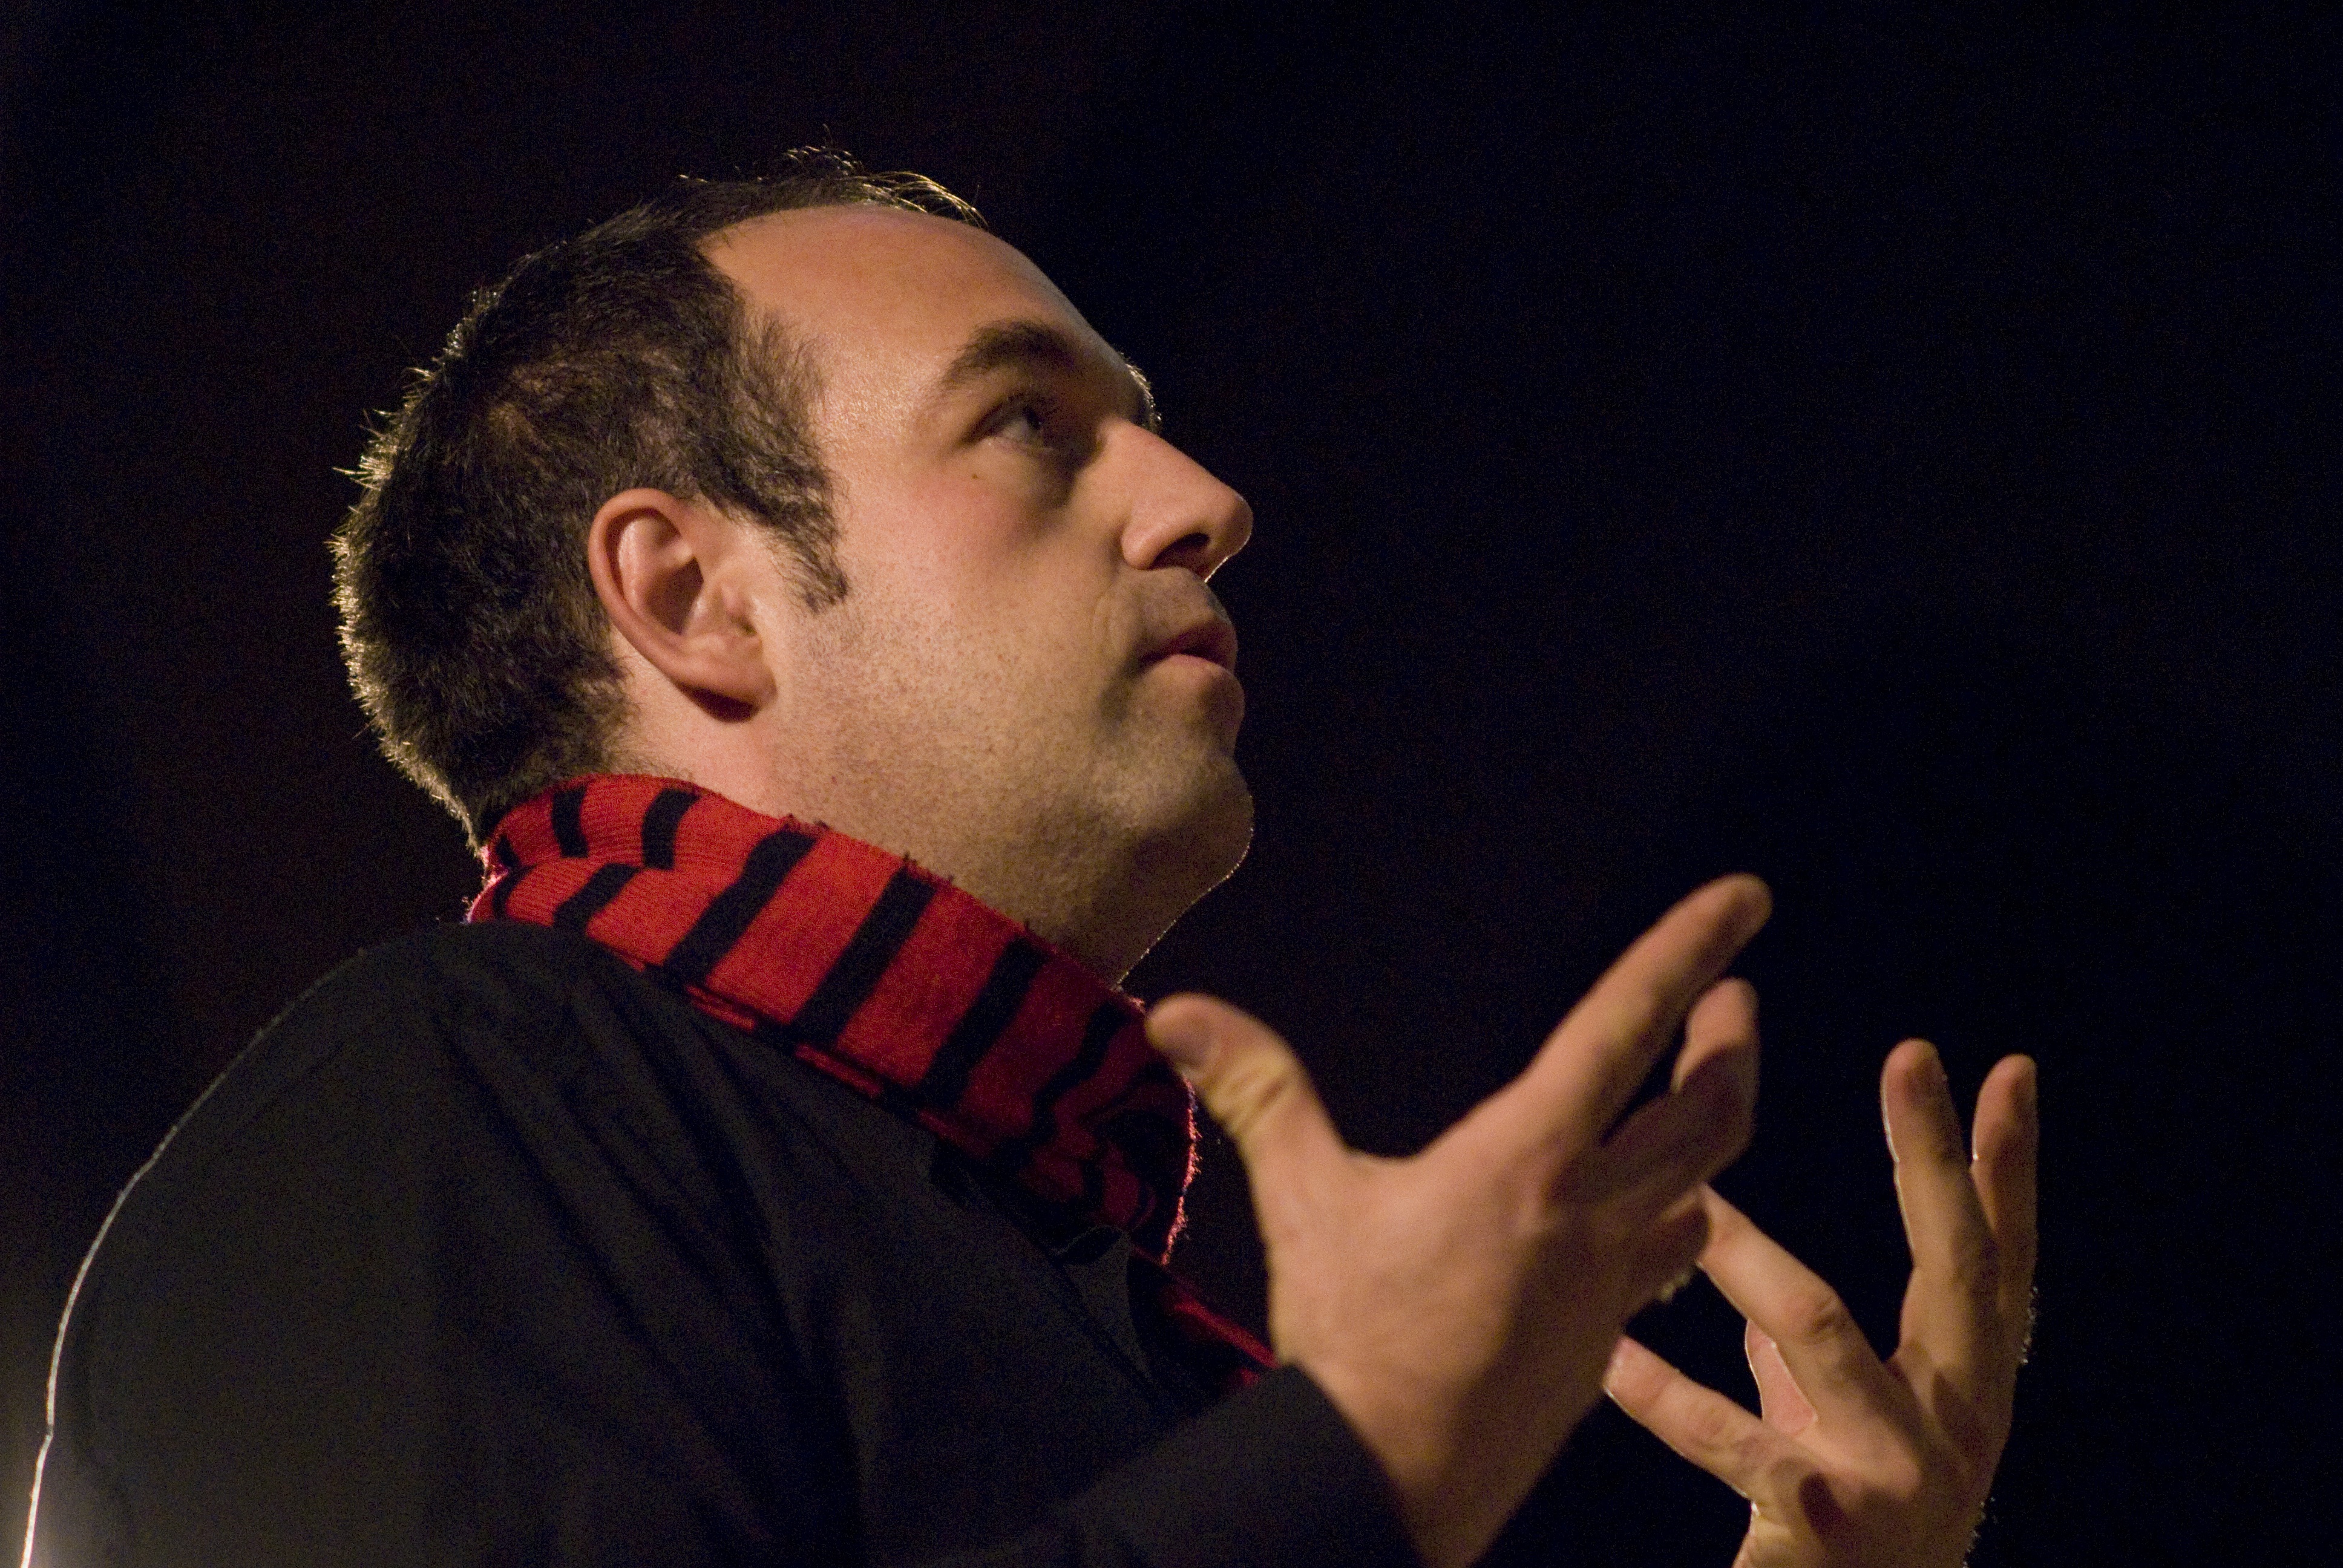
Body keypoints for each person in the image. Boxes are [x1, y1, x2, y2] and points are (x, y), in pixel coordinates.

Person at [24, 154, 2037, 1568]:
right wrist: (1359, 1459)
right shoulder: (439, 1103)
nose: (1206, 500)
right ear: (696, 595)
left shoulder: (1079, 1279)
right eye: (1025, 425)